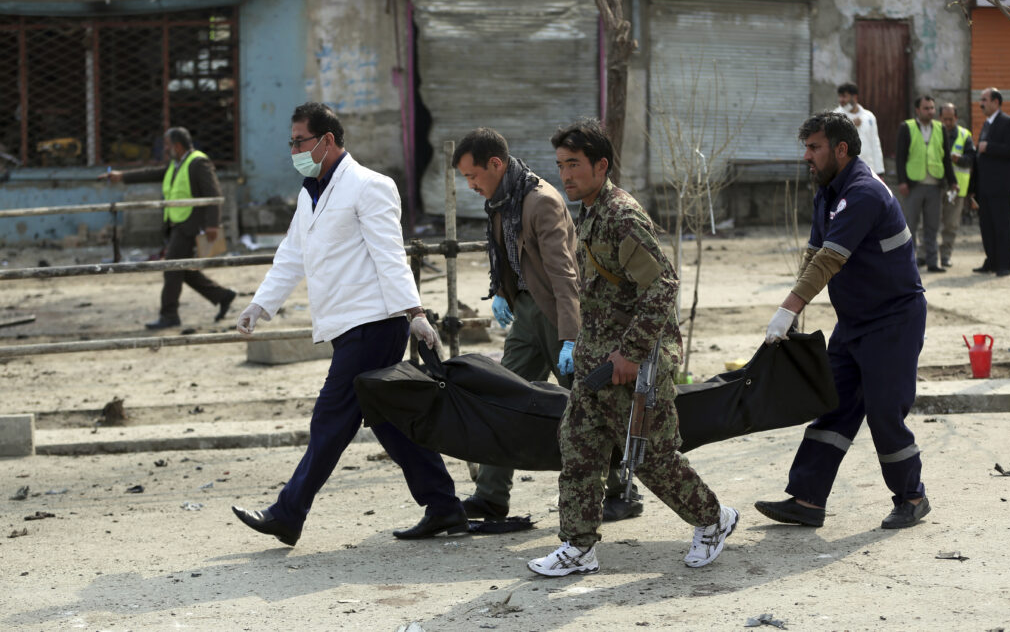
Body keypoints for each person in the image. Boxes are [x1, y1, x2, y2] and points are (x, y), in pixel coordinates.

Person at [230, 102, 467, 545]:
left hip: (374, 323)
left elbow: (388, 252)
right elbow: (292, 256)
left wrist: (414, 313)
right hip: (345, 327)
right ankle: (445, 506)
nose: (294, 149)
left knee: (330, 418)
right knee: (389, 419)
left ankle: (288, 514)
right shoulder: (310, 192)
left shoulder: (369, 186)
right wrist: (261, 305)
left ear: (328, 141)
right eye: (292, 142)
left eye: (300, 141)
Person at [528, 118, 737, 577]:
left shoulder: (621, 215)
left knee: (651, 459)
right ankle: (578, 547)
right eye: (561, 165)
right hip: (596, 361)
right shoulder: (590, 211)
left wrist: (632, 352)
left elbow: (662, 287)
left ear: (601, 165)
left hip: (633, 365)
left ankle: (713, 519)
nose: (565, 175)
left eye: (575, 164)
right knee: (578, 448)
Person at [451, 128, 642, 523]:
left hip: (561, 317)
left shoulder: (541, 203)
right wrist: (503, 291)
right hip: (526, 315)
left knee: (589, 404)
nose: (470, 185)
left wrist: (571, 338)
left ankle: (623, 491)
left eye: (473, 176)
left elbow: (564, 275)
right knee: (501, 397)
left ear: (496, 164)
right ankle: (491, 497)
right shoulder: (500, 200)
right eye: (465, 179)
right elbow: (507, 256)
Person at [756, 111, 930, 530]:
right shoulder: (828, 193)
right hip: (855, 320)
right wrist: (797, 313)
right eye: (807, 147)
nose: (807, 157)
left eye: (814, 147)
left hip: (893, 320)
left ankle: (913, 497)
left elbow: (830, 261)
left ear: (841, 149)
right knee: (832, 406)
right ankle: (808, 499)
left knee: (885, 412)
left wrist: (787, 310)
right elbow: (813, 256)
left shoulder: (864, 192)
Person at [99, 127, 236, 329]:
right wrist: (122, 177)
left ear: (177, 146)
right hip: (178, 224)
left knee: (171, 268)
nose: (164, 149)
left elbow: (214, 194)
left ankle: (169, 315)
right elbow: (151, 174)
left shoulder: (198, 162)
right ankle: (222, 295)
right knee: (181, 268)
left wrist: (212, 224)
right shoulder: (176, 164)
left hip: (191, 225)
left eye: (167, 145)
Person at [895, 95, 957, 273]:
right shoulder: (907, 127)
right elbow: (900, 157)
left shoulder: (940, 128)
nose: (930, 111)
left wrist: (952, 181)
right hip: (913, 185)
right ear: (918, 110)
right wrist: (902, 182)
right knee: (910, 226)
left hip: (934, 185)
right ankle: (908, 264)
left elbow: (946, 157)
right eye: (926, 108)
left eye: (932, 108)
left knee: (932, 226)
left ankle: (932, 262)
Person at [971, 88, 1010, 277]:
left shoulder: (1008, 123)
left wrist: (988, 147)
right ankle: (992, 261)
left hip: (1001, 187)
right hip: (985, 187)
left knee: (1002, 227)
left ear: (996, 102)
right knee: (987, 227)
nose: (980, 103)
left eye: (984, 99)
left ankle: (1006, 265)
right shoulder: (987, 124)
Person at [938, 103, 976, 268]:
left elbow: (971, 160)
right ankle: (926, 256)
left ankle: (945, 256)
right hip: (936, 185)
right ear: (940, 118)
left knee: (951, 225)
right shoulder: (933, 133)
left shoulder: (964, 135)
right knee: (929, 223)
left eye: (950, 119)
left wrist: (958, 159)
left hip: (956, 188)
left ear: (956, 118)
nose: (947, 122)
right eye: (944, 119)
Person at [836, 82, 885, 175]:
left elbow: (875, 144)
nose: (841, 100)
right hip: (846, 172)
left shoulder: (869, 116)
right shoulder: (835, 116)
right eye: (840, 96)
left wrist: (880, 171)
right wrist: (851, 124)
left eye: (844, 96)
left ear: (854, 97)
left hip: (869, 170)